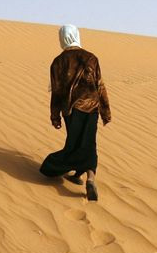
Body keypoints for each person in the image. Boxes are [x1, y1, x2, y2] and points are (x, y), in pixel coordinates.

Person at [40, 24, 111, 201]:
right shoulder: (91, 58)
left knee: (74, 143)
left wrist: (55, 115)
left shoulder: (58, 62)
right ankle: (89, 178)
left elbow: (56, 92)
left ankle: (62, 168)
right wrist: (105, 111)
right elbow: (100, 85)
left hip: (70, 110)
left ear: (62, 38)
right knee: (89, 142)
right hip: (92, 107)